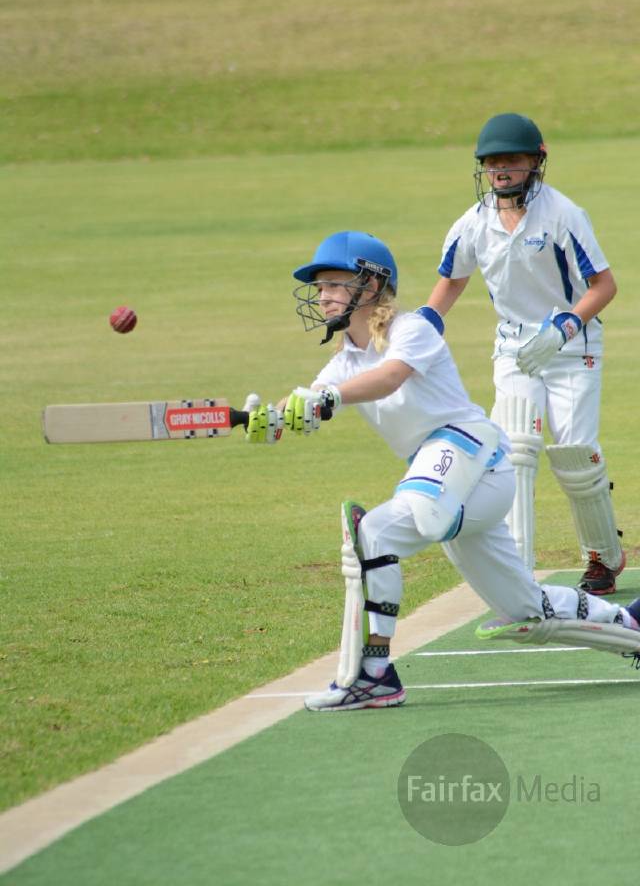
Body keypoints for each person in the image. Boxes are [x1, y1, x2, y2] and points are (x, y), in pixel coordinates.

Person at [245, 229, 640, 711]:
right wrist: (271, 419)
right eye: (320, 285)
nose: (322, 294)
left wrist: (329, 399)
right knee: (524, 609)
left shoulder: (412, 329)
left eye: (334, 282)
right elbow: (309, 400)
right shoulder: (344, 361)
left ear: (370, 287)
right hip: (444, 481)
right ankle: (632, 625)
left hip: (472, 456)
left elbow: (390, 378)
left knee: (377, 532)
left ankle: (374, 676)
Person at [423, 113, 624, 595]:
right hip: (514, 347)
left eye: (512, 160)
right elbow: (452, 280)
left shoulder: (562, 215)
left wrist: (568, 323)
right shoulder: (473, 223)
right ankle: (517, 574)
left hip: (572, 346)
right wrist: (427, 323)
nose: (502, 171)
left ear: (536, 161)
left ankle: (603, 556)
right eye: (493, 163)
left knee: (575, 453)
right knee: (513, 449)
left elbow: (605, 285)